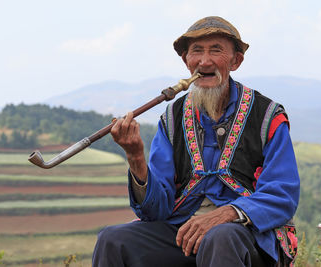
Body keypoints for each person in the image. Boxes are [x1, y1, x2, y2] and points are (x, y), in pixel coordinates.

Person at [92, 16, 300, 267]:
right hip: (183, 233)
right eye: (197, 51)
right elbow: (154, 211)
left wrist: (227, 213)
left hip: (246, 237)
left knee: (221, 236)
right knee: (112, 239)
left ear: (236, 61)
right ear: (186, 61)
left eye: (216, 50)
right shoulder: (172, 118)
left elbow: (283, 193)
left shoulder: (267, 116)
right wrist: (135, 157)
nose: (205, 61)